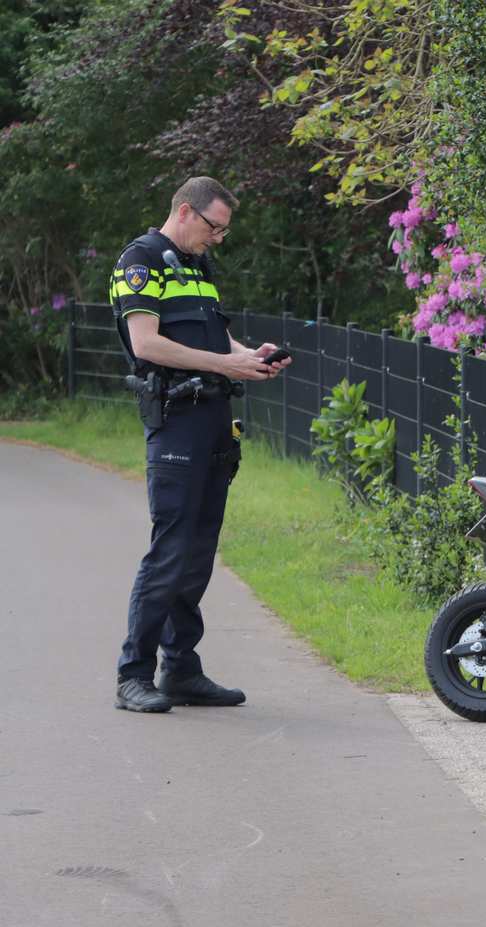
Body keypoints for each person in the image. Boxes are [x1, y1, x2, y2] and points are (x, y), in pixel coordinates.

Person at [109, 176, 291, 713]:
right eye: (215, 227)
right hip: (176, 419)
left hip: (214, 416)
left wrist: (248, 356)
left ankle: (181, 669)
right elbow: (147, 342)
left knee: (199, 552)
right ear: (186, 212)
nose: (218, 239)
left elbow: (209, 339)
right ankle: (133, 674)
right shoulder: (139, 262)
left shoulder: (195, 267)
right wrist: (225, 362)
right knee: (170, 549)